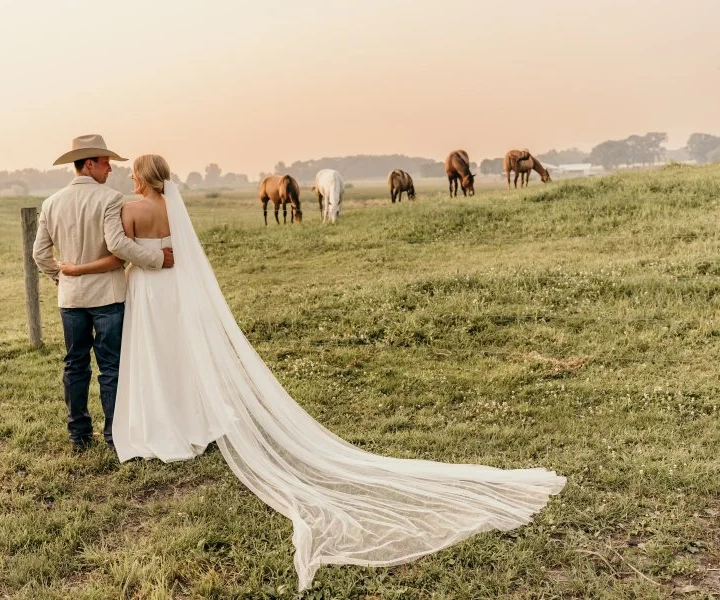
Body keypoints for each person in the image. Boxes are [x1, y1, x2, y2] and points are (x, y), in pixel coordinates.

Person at [60, 154, 566, 591]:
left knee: (150, 358)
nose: (125, 177)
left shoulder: (126, 207)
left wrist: (89, 269)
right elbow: (180, 254)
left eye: (132, 172)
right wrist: (161, 257)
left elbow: (122, 250)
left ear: (142, 177)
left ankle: (158, 425)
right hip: (174, 292)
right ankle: (191, 422)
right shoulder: (175, 208)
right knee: (180, 356)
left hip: (147, 290)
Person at [33, 135, 174, 453]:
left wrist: (61, 277)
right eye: (105, 161)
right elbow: (118, 245)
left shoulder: (51, 202)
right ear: (89, 163)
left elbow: (40, 254)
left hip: (70, 298)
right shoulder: (111, 199)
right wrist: (156, 258)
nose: (111, 168)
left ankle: (79, 435)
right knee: (110, 365)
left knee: (75, 363)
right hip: (108, 296)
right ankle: (113, 434)